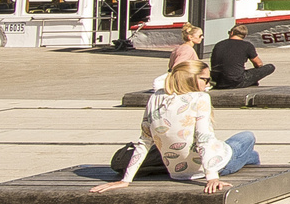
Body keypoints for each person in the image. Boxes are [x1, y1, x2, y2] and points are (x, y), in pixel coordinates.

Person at [93, 60, 260, 195]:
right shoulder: (200, 98)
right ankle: (250, 160)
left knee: (246, 153)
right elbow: (204, 140)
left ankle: (250, 158)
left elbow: (144, 142)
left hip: (177, 172)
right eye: (205, 80)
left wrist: (126, 180)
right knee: (247, 137)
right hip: (215, 165)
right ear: (190, 78)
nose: (208, 85)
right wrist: (212, 178)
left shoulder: (155, 99)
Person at [209, 26, 274, 89]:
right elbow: (258, 64)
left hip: (217, 81)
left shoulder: (219, 44)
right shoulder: (247, 45)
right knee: (270, 67)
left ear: (231, 33)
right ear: (245, 36)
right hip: (235, 81)